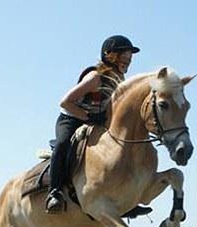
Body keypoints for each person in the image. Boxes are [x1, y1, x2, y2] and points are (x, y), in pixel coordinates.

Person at [45, 35, 149, 216]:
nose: (129, 59)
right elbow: (65, 102)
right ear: (111, 56)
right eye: (125, 55)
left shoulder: (120, 82)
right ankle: (54, 192)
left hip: (98, 122)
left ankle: (127, 199)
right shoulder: (95, 77)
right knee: (62, 144)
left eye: (130, 58)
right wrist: (89, 117)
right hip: (72, 118)